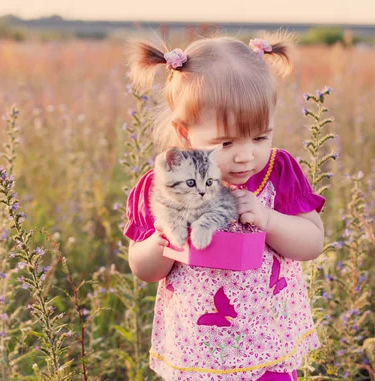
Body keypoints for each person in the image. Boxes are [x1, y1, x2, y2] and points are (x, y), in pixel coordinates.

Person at [123, 33, 326, 381]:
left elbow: (312, 242)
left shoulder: (277, 172)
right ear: (184, 133)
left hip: (268, 344)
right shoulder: (166, 184)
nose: (246, 155)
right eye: (226, 142)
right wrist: (163, 240)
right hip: (198, 348)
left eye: (261, 137)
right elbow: (143, 268)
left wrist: (268, 220)